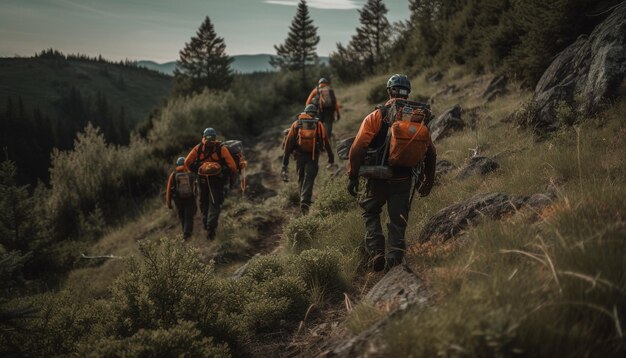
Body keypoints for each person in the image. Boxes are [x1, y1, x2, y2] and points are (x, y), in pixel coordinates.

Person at [347, 74, 437, 272]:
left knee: (370, 211)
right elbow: (430, 153)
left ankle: (377, 250)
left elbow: (358, 148)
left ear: (389, 91)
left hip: (378, 177)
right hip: (404, 179)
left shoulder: (377, 116)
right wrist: (427, 180)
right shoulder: (418, 118)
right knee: (398, 222)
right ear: (408, 93)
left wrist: (353, 175)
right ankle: (395, 264)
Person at [184, 128, 238, 240]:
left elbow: (187, 162)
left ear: (203, 136)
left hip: (202, 179)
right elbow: (232, 166)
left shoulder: (198, 148)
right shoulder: (221, 148)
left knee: (203, 202)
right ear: (215, 137)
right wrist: (228, 176)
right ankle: (211, 230)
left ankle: (206, 223)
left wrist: (195, 170)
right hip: (217, 180)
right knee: (215, 203)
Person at [282, 104, 335, 215]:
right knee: (309, 179)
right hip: (313, 156)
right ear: (315, 113)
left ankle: (304, 201)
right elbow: (326, 142)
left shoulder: (296, 124)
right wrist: (331, 158)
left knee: (301, 178)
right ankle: (305, 202)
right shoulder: (318, 124)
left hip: (299, 156)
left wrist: (284, 164)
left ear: (305, 112)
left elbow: (288, 145)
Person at [306, 78, 340, 167]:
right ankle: (327, 139)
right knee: (328, 128)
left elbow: (308, 101)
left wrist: (309, 112)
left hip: (319, 112)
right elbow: (335, 103)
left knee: (318, 128)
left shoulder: (316, 90)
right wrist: (338, 113)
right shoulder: (330, 90)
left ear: (319, 83)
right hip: (330, 112)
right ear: (326, 83)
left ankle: (320, 144)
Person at [166, 157, 197, 240]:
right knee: (189, 216)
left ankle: (185, 232)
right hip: (190, 198)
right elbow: (195, 186)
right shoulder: (190, 173)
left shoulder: (173, 175)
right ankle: (187, 234)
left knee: (182, 216)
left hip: (178, 200)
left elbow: (169, 190)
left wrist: (169, 203)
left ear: (177, 164)